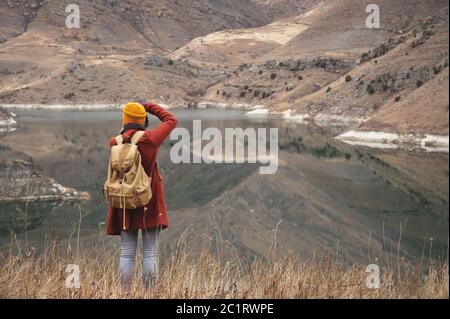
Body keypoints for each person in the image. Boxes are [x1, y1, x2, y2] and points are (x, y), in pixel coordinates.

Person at [106, 101, 178, 290]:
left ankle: (125, 294)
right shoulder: (150, 139)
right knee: (150, 253)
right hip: (149, 200)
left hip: (123, 200)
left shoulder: (115, 142)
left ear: (125, 120)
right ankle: (150, 293)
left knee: (127, 253)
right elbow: (171, 119)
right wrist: (148, 106)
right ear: (143, 120)